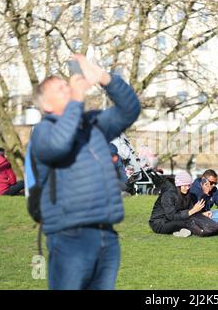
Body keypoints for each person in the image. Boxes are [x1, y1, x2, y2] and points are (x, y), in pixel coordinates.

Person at [30, 54, 141, 290]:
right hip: (70, 235)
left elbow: (129, 109)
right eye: (61, 89)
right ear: (47, 105)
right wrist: (77, 100)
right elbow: (60, 144)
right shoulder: (42, 132)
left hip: (105, 235)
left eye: (67, 84)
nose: (68, 88)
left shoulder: (93, 125)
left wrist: (102, 77)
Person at [149, 171, 218, 237]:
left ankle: (183, 231)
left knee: (193, 219)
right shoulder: (168, 195)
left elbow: (190, 211)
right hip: (160, 223)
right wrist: (192, 211)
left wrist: (202, 213)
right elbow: (171, 216)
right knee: (187, 221)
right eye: (185, 186)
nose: (187, 188)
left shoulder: (188, 194)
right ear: (179, 185)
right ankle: (198, 231)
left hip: (174, 220)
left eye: (189, 185)